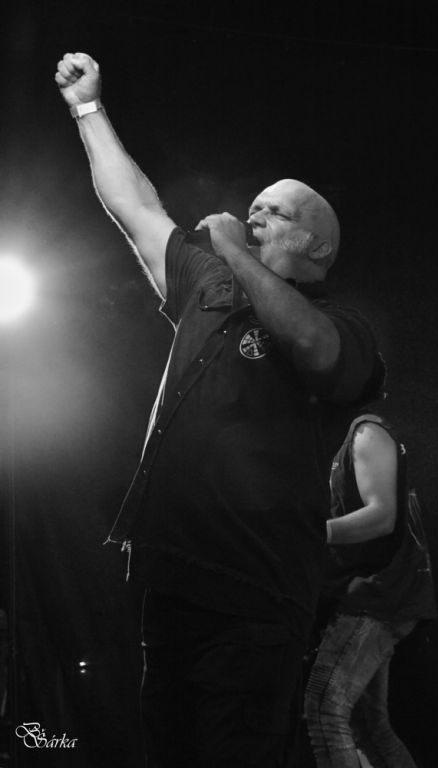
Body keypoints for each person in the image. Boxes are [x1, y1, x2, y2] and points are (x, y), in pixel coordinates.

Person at [55, 52, 386, 768]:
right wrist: (88, 108)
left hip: (256, 589)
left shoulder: (344, 325)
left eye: (276, 211)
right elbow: (136, 206)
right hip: (170, 578)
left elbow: (312, 347)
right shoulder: (207, 283)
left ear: (317, 245)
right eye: (254, 204)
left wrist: (236, 249)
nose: (254, 213)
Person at [304, 413, 437, 768]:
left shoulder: (366, 433)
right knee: (370, 727)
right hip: (382, 598)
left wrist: (311, 532)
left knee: (324, 710)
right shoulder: (348, 443)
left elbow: (382, 515)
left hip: (376, 598)